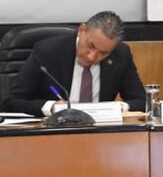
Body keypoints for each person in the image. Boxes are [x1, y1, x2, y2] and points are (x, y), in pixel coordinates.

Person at [4, 11, 145, 116]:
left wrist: (121, 107)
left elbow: (141, 100)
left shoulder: (121, 54)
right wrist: (51, 107)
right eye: (91, 46)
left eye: (103, 53)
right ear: (82, 30)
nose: (92, 57)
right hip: (53, 134)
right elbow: (11, 101)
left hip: (100, 134)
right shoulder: (47, 51)